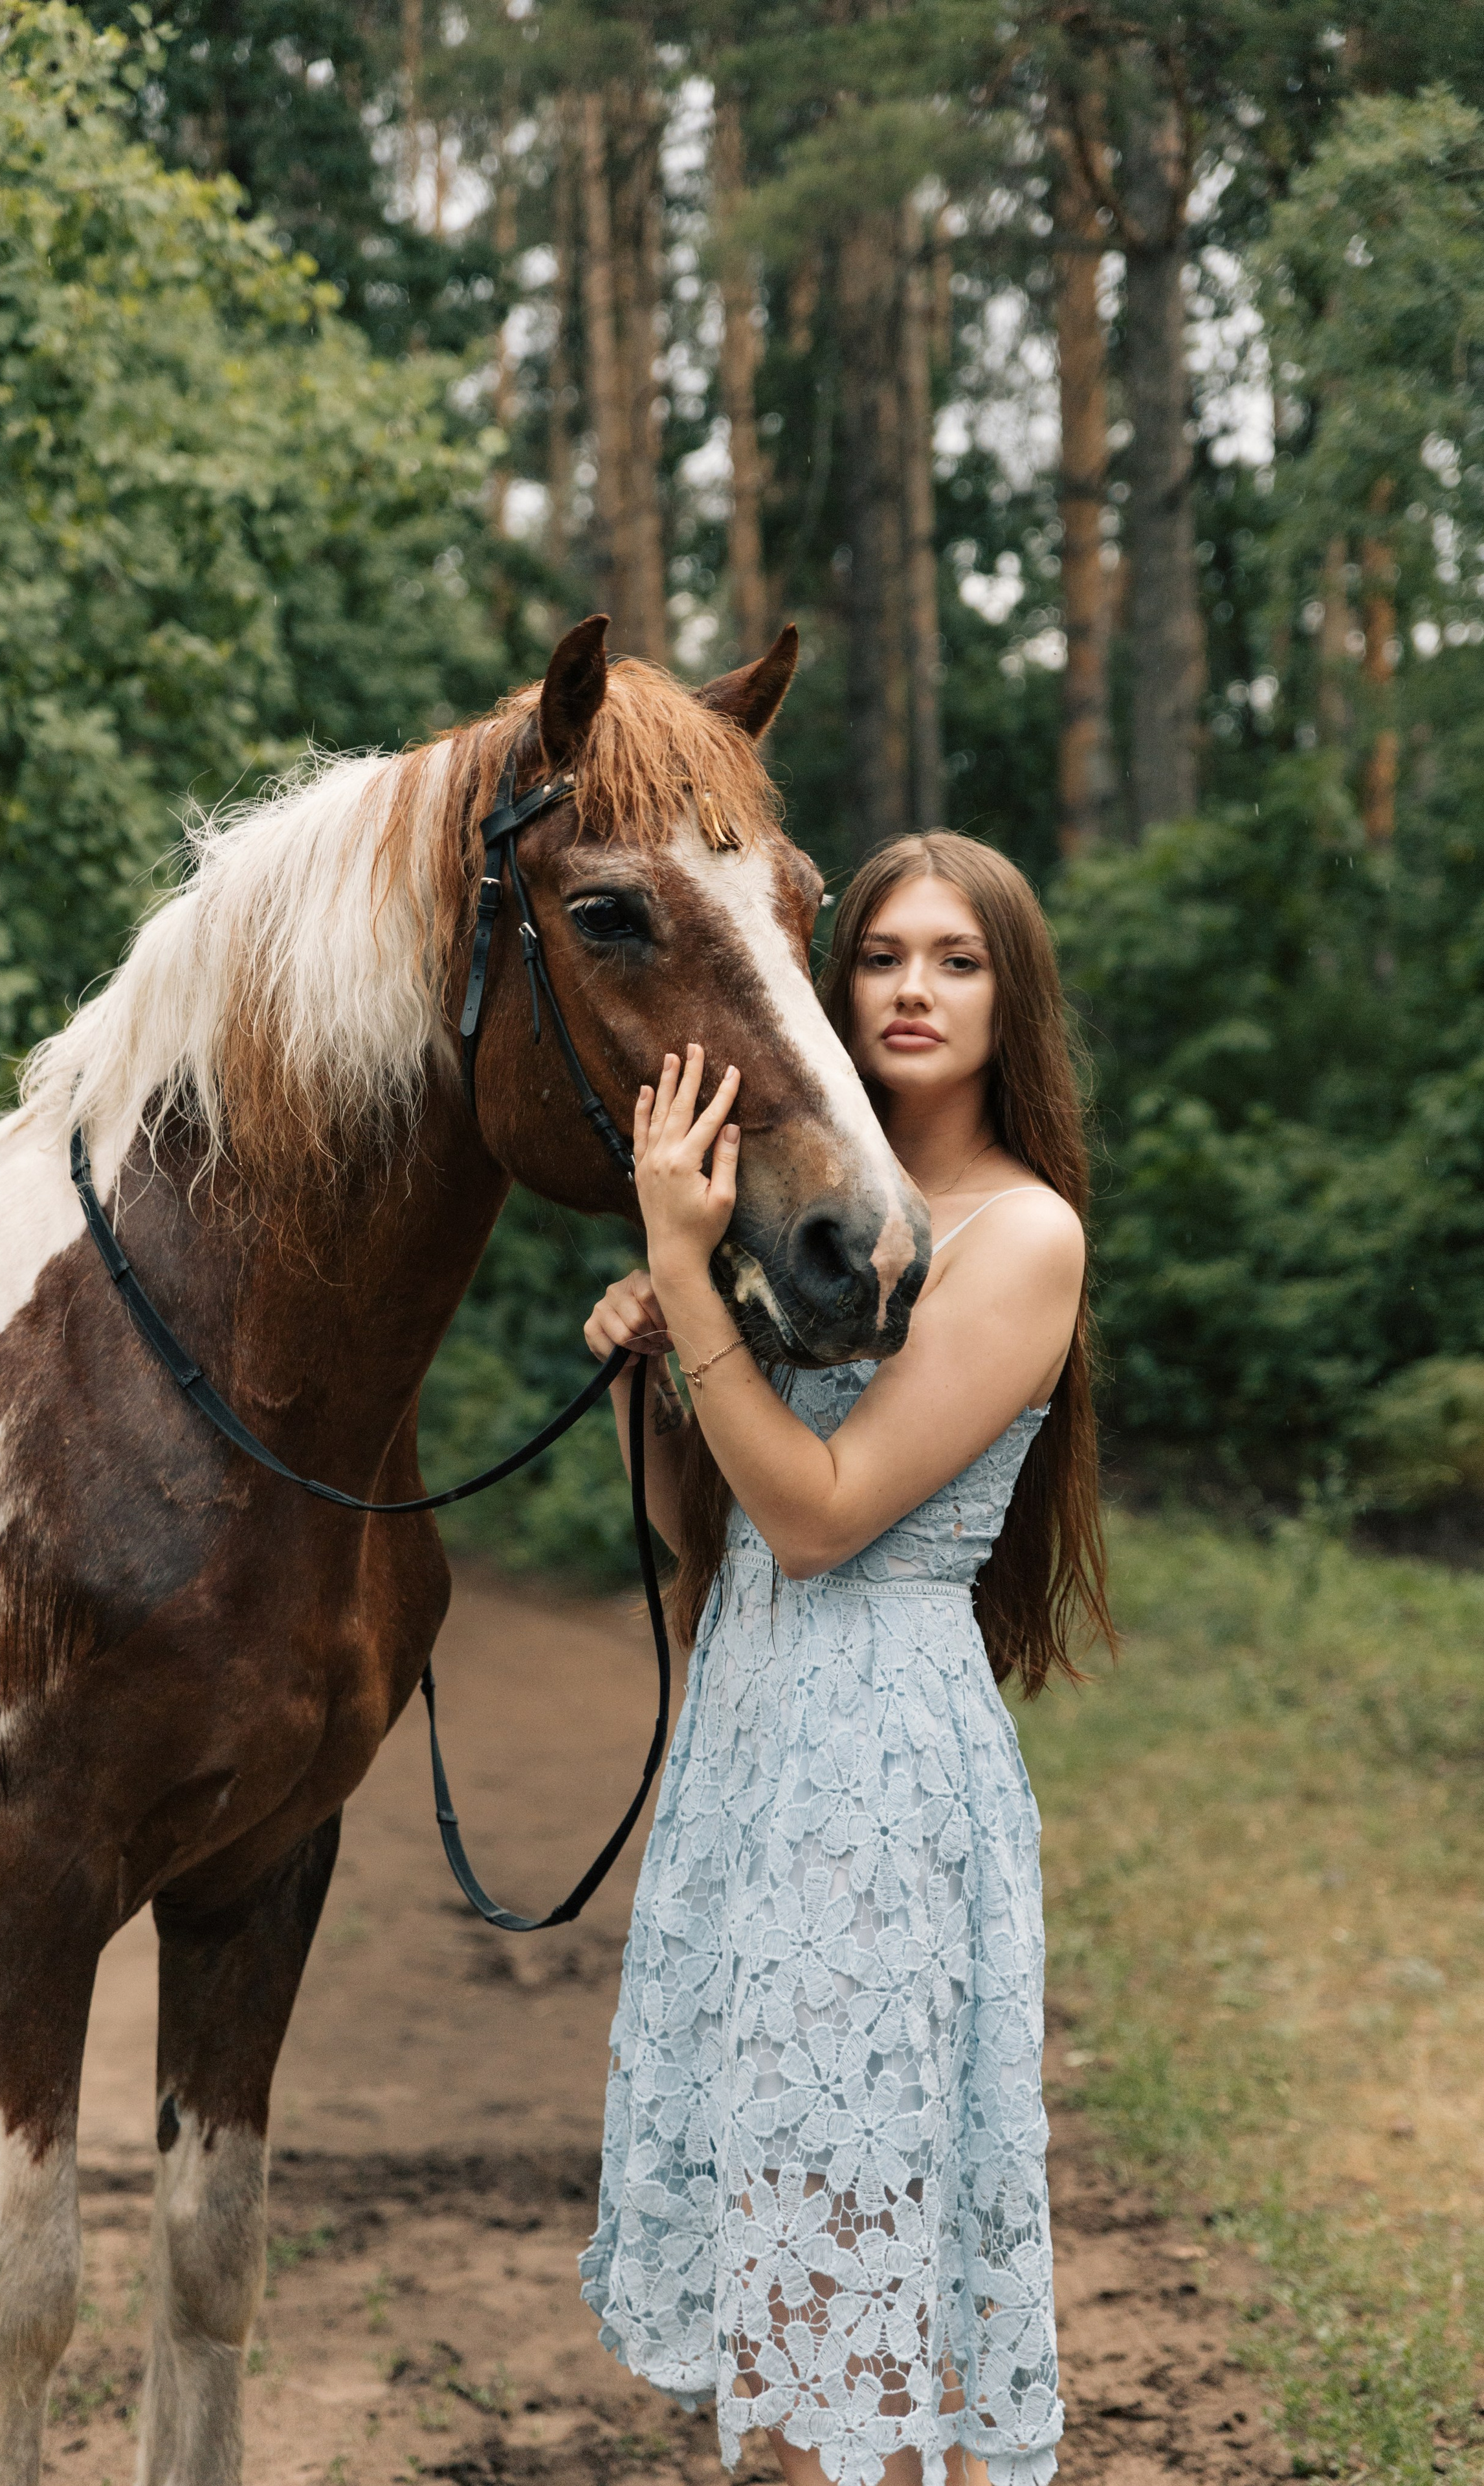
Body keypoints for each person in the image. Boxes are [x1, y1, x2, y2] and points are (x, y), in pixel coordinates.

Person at [577, 832, 1115, 2486]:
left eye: (954, 959)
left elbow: (818, 1518)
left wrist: (681, 1265)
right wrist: (650, 1367)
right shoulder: (823, 1205)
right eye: (881, 953)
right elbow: (720, 1533)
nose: (909, 988)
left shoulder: (1019, 1237)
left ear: (1005, 993)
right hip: (756, 1730)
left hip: (876, 1757)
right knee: (783, 2245)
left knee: (856, 2233)